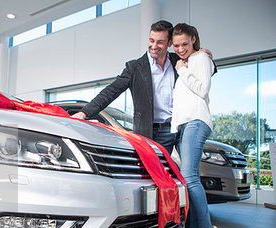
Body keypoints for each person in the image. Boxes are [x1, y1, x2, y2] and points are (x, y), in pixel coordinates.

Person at [72, 20, 212, 155]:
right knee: (156, 175)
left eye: (160, 42)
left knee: (188, 173)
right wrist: (85, 113)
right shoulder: (135, 68)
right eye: (151, 40)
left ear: (169, 43)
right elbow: (111, 91)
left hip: (181, 127)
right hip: (154, 132)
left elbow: (202, 72)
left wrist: (205, 56)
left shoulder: (179, 60)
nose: (154, 46)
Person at [171, 23, 220, 228]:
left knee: (190, 178)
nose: (181, 49)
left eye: (185, 44)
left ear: (194, 40)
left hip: (196, 121)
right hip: (184, 125)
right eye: (177, 45)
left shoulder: (200, 59)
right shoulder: (188, 61)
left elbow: (202, 90)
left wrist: (182, 69)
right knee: (187, 179)